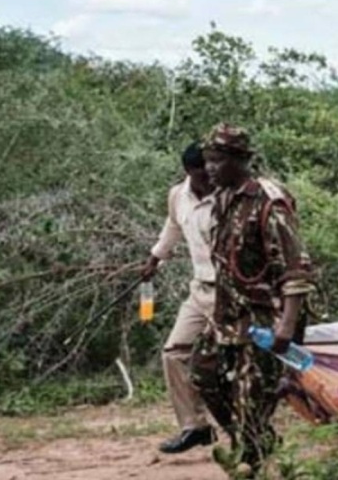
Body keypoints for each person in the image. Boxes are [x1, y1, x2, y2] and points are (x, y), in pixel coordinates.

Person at [190, 123, 315, 477]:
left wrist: (287, 328)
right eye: (208, 160)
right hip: (227, 316)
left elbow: (295, 270)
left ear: (239, 160)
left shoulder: (269, 201)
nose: (210, 168)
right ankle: (251, 438)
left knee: (251, 403)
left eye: (217, 161)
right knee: (202, 373)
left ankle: (251, 456)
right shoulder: (224, 198)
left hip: (263, 321)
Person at [142, 142, 216, 454]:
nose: (208, 180)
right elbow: (172, 227)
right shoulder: (178, 196)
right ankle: (195, 426)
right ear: (189, 172)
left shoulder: (229, 195)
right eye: (201, 175)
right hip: (201, 289)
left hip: (234, 293)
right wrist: (155, 259)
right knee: (174, 353)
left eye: (210, 172)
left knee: (236, 359)